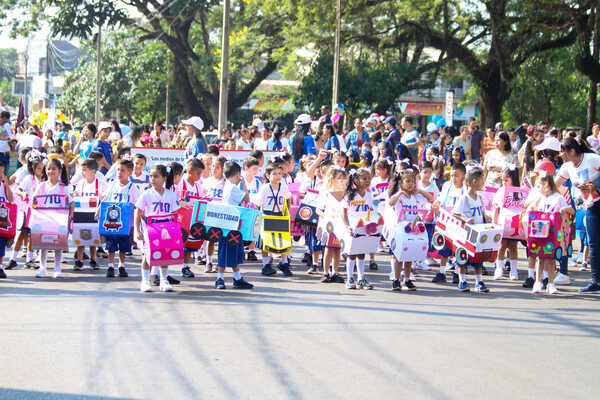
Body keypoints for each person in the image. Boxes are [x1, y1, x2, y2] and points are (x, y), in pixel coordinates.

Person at [555, 136, 600, 293]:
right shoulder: (567, 167)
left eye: (563, 152)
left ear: (572, 151)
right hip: (592, 207)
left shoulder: (592, 159)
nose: (561, 155)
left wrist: (596, 186)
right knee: (593, 244)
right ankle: (596, 282)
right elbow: (555, 185)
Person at [134, 165, 180, 292]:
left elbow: (175, 213)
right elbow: (138, 212)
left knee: (165, 254)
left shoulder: (170, 194)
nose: (153, 179)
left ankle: (164, 280)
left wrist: (176, 230)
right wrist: (138, 230)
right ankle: (145, 281)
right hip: (151, 228)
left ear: (164, 178)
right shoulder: (146, 194)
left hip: (166, 228)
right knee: (148, 255)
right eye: (151, 176)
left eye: (156, 176)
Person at [387, 167, 433, 291]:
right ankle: (396, 279)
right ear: (401, 183)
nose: (411, 184)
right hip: (401, 228)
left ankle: (407, 279)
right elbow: (391, 203)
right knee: (398, 256)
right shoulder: (399, 196)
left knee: (409, 255)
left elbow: (430, 198)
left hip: (414, 227)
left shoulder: (416, 196)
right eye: (407, 181)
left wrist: (420, 191)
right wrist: (400, 193)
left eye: (412, 181)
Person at [215, 161, 254, 289]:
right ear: (237, 174)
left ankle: (237, 278)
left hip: (230, 223)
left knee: (235, 251)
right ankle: (220, 278)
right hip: (230, 224)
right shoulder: (233, 188)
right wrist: (243, 185)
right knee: (226, 251)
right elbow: (247, 198)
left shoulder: (226, 185)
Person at [99, 159, 141, 278]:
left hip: (125, 222)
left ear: (129, 172)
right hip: (111, 220)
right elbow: (104, 199)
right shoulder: (112, 185)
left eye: (122, 170)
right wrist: (98, 210)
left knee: (123, 245)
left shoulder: (132, 187)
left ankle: (121, 265)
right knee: (111, 243)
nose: (119, 173)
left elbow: (138, 204)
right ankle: (110, 266)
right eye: (118, 170)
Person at [34, 159, 73, 278]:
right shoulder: (41, 186)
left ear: (60, 171)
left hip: (59, 219)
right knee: (43, 244)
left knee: (58, 244)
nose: (51, 171)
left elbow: (71, 203)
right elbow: (34, 202)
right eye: (48, 169)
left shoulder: (64, 187)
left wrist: (70, 217)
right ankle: (42, 266)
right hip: (44, 219)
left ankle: (57, 267)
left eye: (54, 169)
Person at [452, 167, 489, 292]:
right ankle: (462, 280)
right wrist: (465, 219)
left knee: (478, 257)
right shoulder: (464, 198)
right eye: (481, 181)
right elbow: (455, 213)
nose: (483, 183)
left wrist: (486, 217)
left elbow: (481, 212)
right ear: (474, 181)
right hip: (467, 233)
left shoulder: (479, 197)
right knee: (463, 257)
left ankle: (479, 281)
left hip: (478, 231)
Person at [431, 163, 466, 284]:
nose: (453, 178)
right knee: (444, 247)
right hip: (446, 221)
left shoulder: (465, 189)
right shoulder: (447, 186)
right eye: (451, 175)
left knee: (458, 248)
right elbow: (441, 199)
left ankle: (457, 272)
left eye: (456, 175)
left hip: (459, 222)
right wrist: (436, 203)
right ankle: (442, 272)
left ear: (463, 176)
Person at [258, 161, 293, 276]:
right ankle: (265, 264)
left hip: (280, 215)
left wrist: (287, 210)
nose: (278, 176)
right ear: (268, 176)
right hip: (267, 215)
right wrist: (259, 217)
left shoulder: (283, 186)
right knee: (266, 242)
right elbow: (258, 204)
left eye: (280, 173)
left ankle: (284, 263)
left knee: (283, 240)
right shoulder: (264, 188)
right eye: (275, 174)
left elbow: (289, 197)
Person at [342, 168, 375, 289]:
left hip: (364, 226)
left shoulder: (369, 195)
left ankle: (361, 278)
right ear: (356, 180)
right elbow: (343, 212)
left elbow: (371, 210)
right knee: (351, 253)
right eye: (364, 178)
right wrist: (347, 226)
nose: (367, 181)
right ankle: (350, 278)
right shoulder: (350, 195)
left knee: (361, 252)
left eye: (369, 179)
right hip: (352, 226)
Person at [73, 159, 106, 271]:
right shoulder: (80, 184)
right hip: (81, 213)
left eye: (84, 170)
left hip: (94, 214)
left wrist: (100, 208)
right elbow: (76, 195)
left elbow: (104, 198)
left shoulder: (100, 184)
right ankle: (79, 260)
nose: (82, 173)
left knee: (93, 238)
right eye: (82, 170)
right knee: (80, 237)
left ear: (93, 171)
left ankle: (93, 259)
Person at [317, 166, 348, 283]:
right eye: (339, 178)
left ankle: (335, 272)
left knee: (338, 249)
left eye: (344, 178)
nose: (342, 180)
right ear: (333, 179)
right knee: (329, 248)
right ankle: (325, 272)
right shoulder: (326, 192)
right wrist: (325, 217)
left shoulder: (346, 193)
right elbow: (318, 209)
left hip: (340, 224)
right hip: (329, 224)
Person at [175, 158, 204, 278]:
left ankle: (185, 266)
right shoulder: (181, 183)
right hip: (181, 219)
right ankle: (162, 269)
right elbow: (176, 200)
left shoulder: (198, 186)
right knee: (178, 243)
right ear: (190, 171)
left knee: (190, 244)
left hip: (192, 219)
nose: (200, 176)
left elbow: (202, 200)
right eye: (198, 173)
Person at [492, 164, 521, 280]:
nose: (504, 182)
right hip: (503, 222)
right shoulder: (501, 191)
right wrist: (495, 222)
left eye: (506, 180)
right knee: (502, 245)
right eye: (503, 180)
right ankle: (499, 268)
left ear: (513, 179)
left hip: (515, 223)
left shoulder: (519, 191)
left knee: (513, 246)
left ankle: (513, 270)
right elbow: (496, 207)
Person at [0, 162, 14, 279]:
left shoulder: (3, 185)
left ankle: (0, 267)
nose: (1, 174)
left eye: (2, 171)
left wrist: (7, 184)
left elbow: (11, 200)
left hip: (2, 218)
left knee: (1, 242)